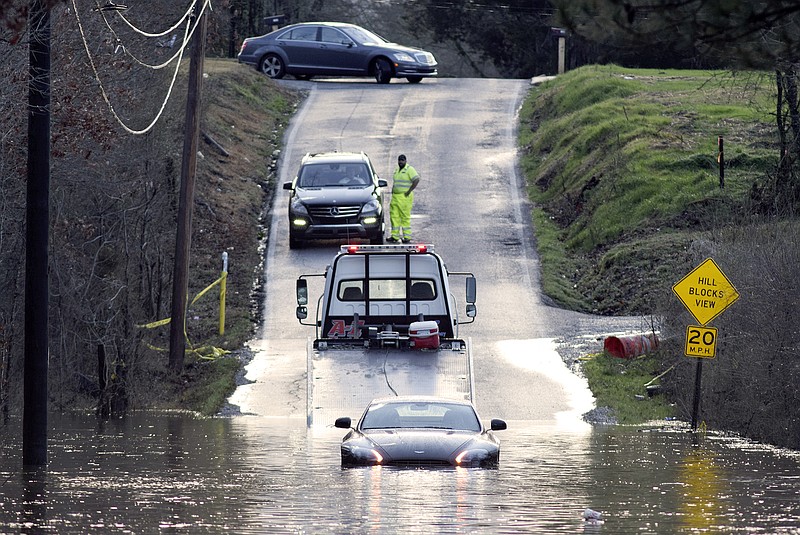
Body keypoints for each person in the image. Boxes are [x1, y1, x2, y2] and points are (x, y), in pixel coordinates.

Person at [387, 154, 420, 243]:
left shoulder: (409, 170)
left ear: (405, 161)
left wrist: (409, 191)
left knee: (405, 217)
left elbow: (416, 179)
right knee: (394, 216)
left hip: (404, 197)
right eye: (399, 160)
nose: (400, 162)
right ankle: (395, 236)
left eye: (402, 160)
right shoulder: (397, 170)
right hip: (395, 197)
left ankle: (407, 237)